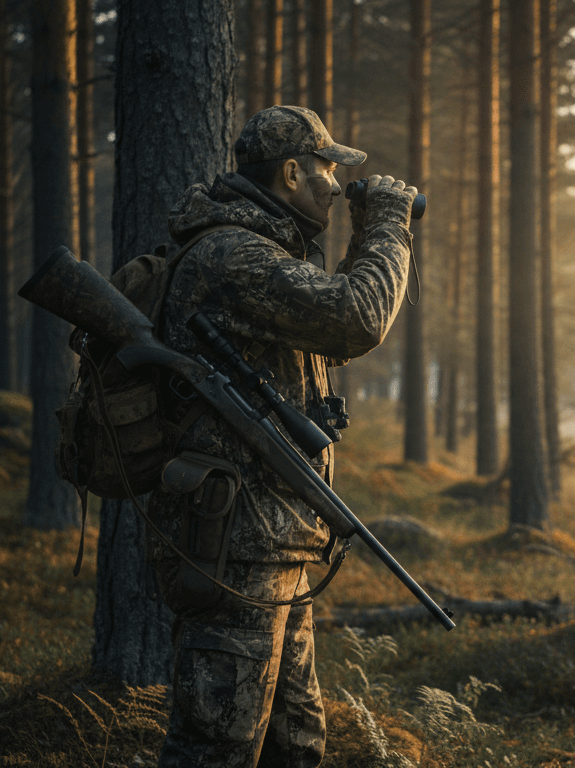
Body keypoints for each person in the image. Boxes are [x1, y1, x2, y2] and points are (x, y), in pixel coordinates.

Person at [147, 105, 417, 768]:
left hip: (277, 542)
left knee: (293, 745)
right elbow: (356, 317)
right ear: (291, 171)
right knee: (217, 747)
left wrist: (362, 240)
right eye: (327, 169)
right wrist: (388, 224)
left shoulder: (261, 250)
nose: (334, 183)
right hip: (237, 546)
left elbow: (328, 329)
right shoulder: (233, 255)